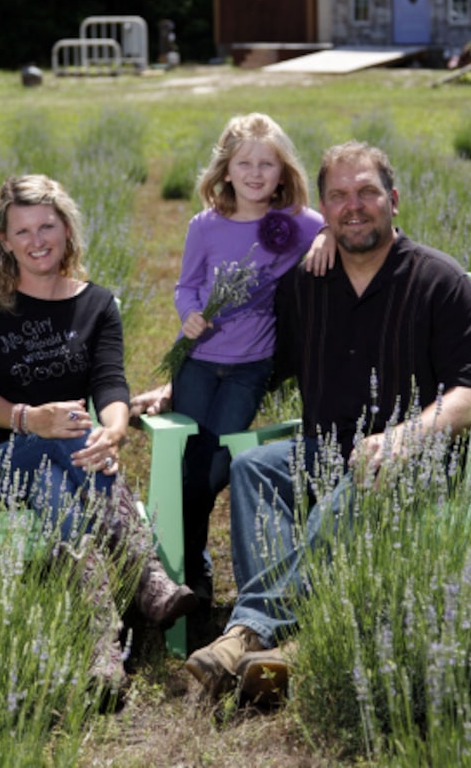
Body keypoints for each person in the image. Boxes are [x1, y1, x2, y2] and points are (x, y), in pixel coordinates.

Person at [183, 141, 471, 702]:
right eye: (339, 196)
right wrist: (179, 381)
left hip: (412, 459)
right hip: (326, 449)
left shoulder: (439, 280)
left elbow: (467, 394)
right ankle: (287, 644)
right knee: (254, 468)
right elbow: (268, 364)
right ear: (323, 211)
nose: (355, 206)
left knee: (363, 476)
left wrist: (405, 435)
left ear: (393, 199)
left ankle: (252, 632)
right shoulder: (306, 285)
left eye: (367, 191)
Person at [0, 174, 197, 696]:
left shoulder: (97, 304)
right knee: (61, 431)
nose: (37, 240)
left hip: (64, 466)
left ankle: (100, 644)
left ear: (67, 230)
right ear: (4, 240)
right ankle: (144, 569)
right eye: (22, 231)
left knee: (55, 476)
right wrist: (29, 419)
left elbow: (110, 381)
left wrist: (113, 430)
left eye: (47, 226)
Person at [129, 112, 334, 607]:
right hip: (198, 361)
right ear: (226, 171)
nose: (256, 173)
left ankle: (174, 557)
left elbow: (334, 225)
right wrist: (189, 314)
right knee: (192, 462)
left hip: (251, 365)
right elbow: (186, 284)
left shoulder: (294, 225)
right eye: (245, 163)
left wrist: (325, 237)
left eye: (268, 164)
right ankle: (193, 568)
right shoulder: (206, 226)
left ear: (283, 173)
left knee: (217, 463)